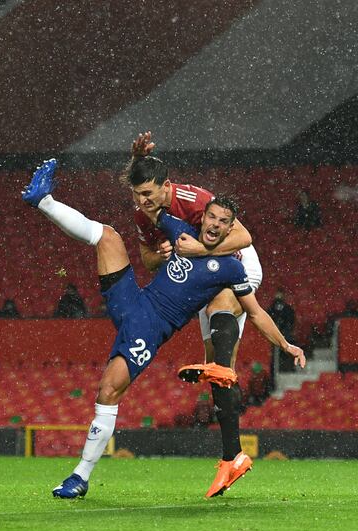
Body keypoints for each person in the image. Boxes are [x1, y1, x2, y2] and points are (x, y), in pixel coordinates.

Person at [21, 158, 305, 500]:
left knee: (108, 390)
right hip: (133, 302)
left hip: (150, 329)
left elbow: (257, 314)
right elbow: (150, 208)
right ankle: (43, 200)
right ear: (203, 218)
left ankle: (80, 476)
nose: (214, 225)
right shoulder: (180, 232)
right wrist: (138, 161)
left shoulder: (230, 269)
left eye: (222, 222)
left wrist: (286, 345)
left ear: (230, 230)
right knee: (109, 237)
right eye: (211, 217)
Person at [127, 132, 264, 497]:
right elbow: (148, 260)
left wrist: (201, 249)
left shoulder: (192, 199)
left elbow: (244, 237)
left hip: (237, 266)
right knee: (219, 371)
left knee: (221, 317)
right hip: (204, 273)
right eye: (138, 195)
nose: (142, 202)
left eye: (149, 195)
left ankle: (232, 452)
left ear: (165, 187)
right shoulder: (145, 215)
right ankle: (233, 456)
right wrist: (169, 251)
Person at [267, 288, 297, 372]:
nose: (278, 296)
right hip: (273, 336)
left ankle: (288, 368)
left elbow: (291, 321)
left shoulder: (288, 309)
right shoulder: (271, 308)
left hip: (285, 334)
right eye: (277, 294)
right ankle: (274, 371)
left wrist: (284, 330)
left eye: (280, 294)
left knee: (288, 348)